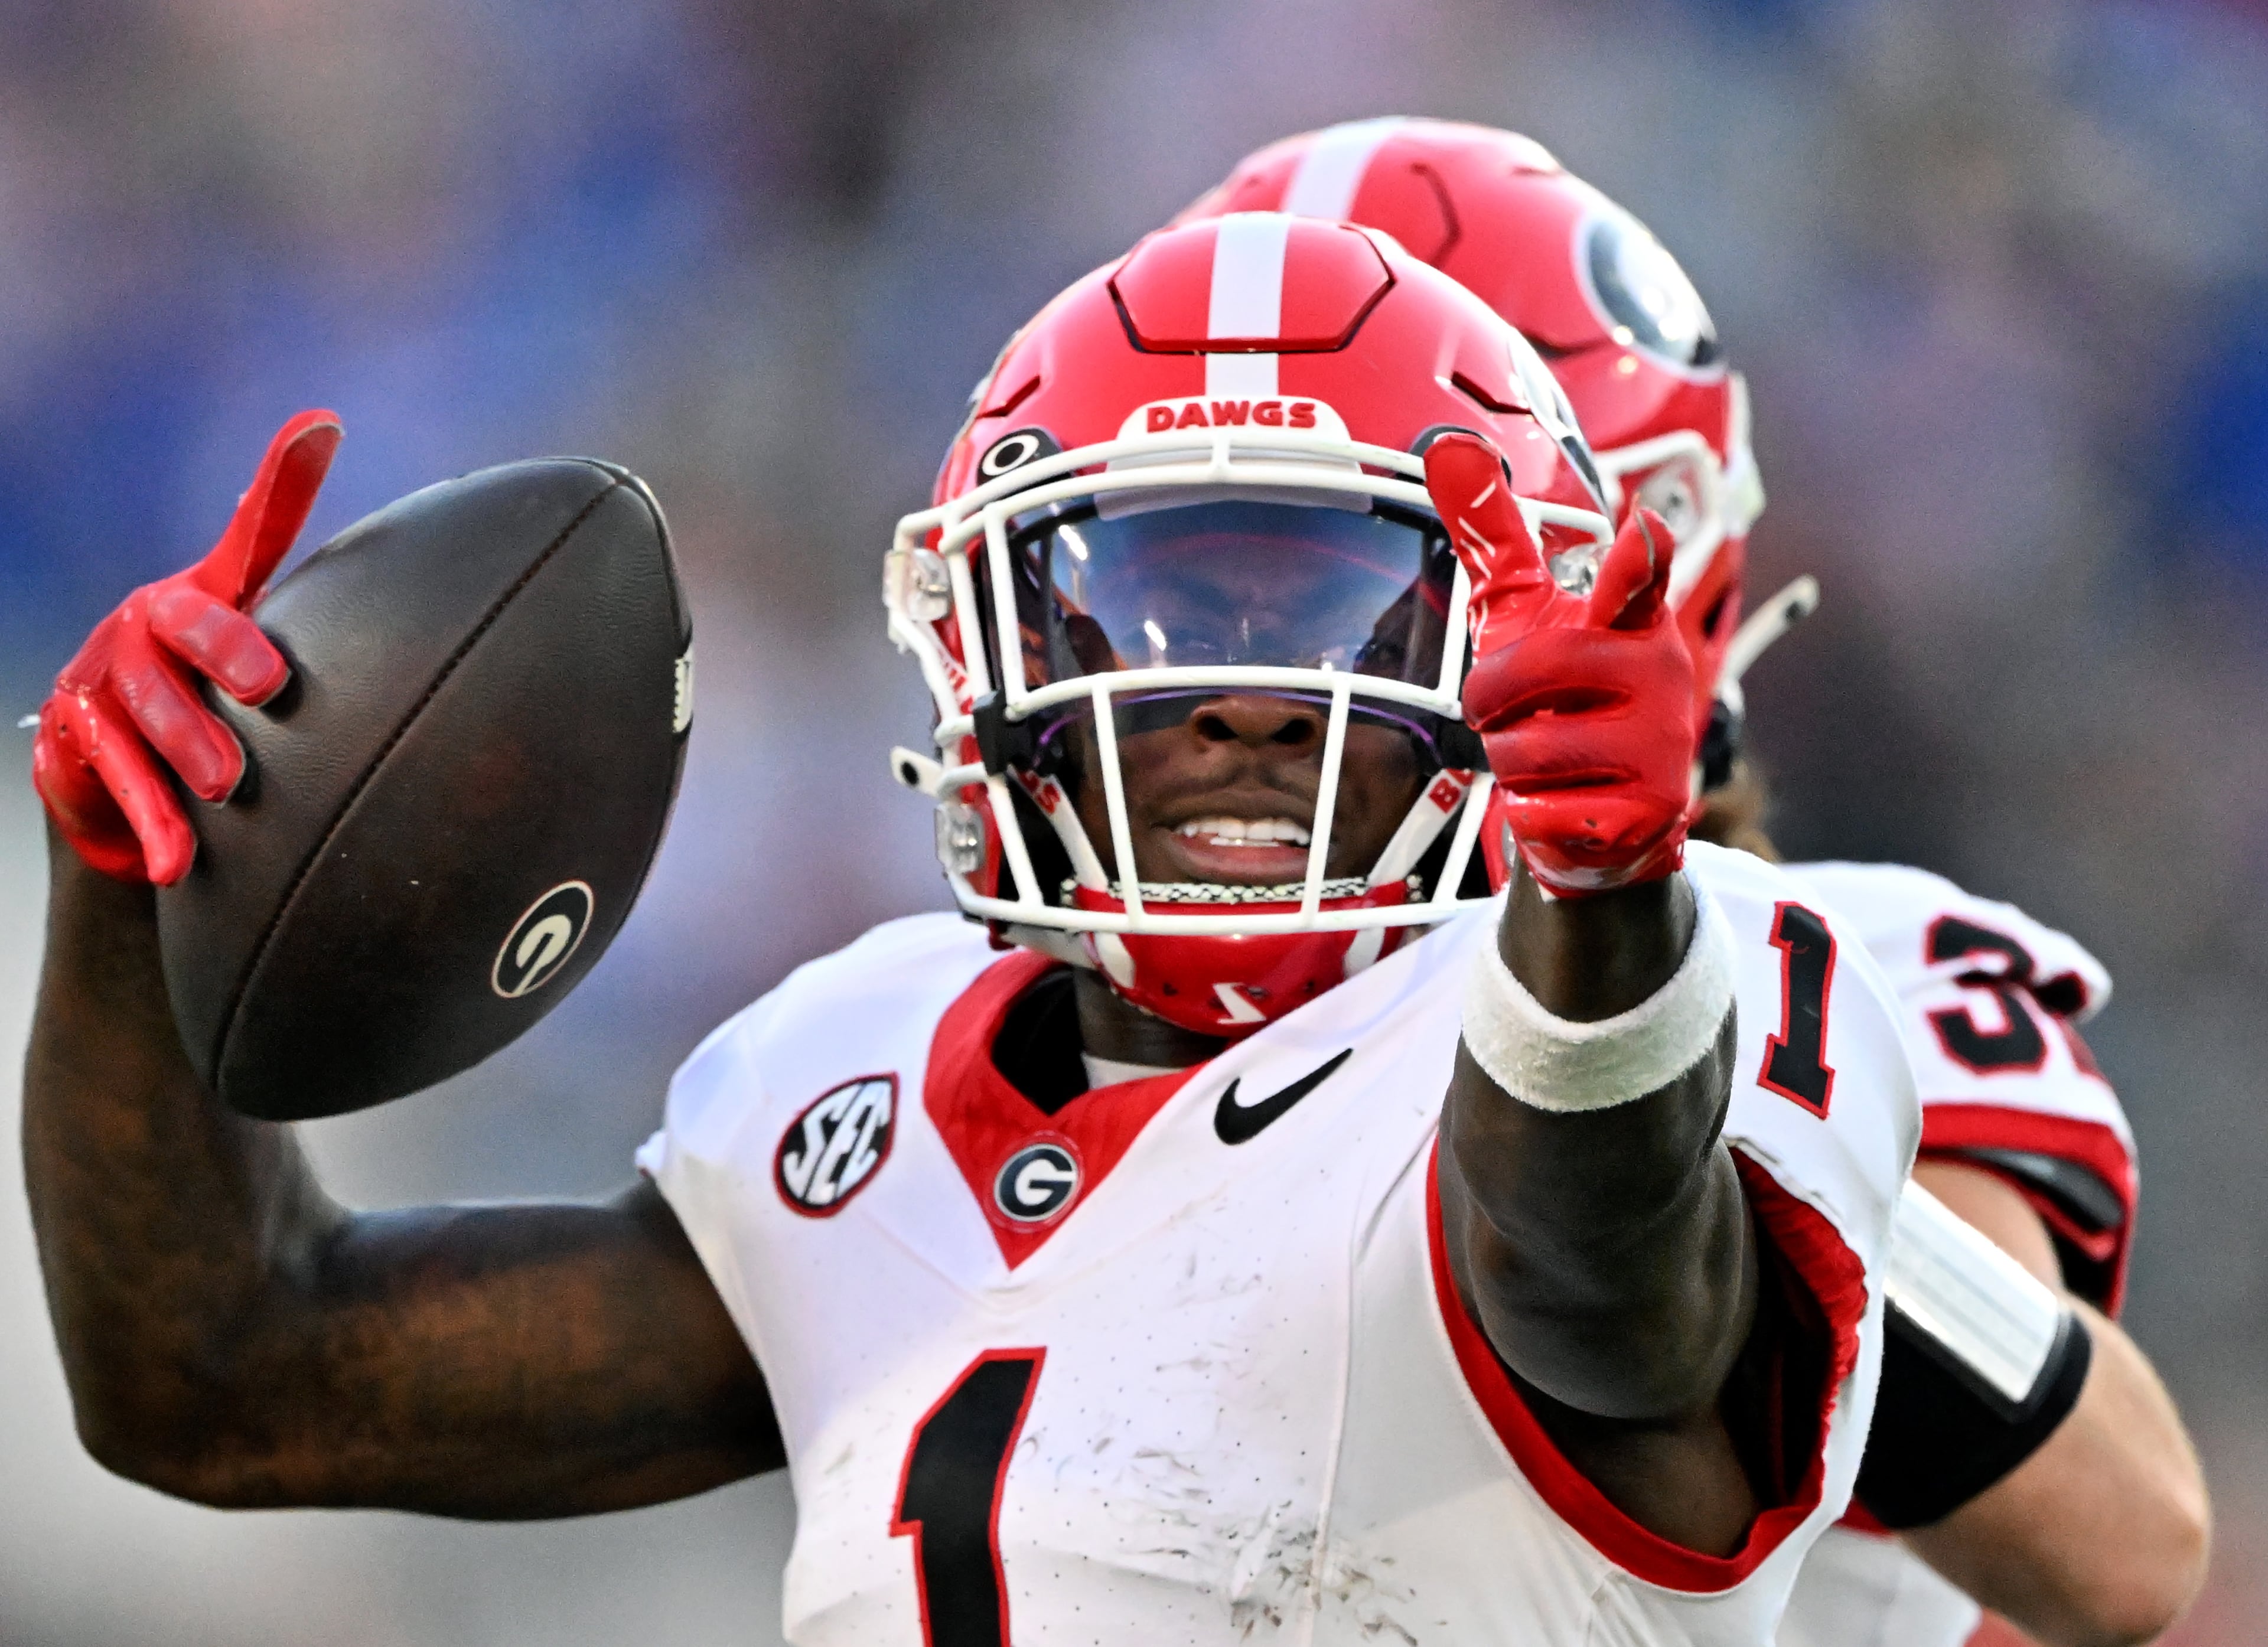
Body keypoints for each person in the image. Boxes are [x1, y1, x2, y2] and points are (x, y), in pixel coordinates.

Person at [24, 214, 1920, 1645]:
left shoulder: (1677, 987)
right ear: (976, 644)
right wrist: (134, 877)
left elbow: (1608, 1295)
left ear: (1514, 640)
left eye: (1336, 605)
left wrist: (1607, 909)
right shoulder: (851, 1086)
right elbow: (226, 1377)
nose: (1246, 697)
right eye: (1155, 598)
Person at [1176, 118, 2210, 1646]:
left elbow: (2122, 1539)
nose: (1275, 659)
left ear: (1643, 555)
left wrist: (1652, 1079)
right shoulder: (985, 1013)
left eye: (1374, 565)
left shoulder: (1843, 963)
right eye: (1213, 563)